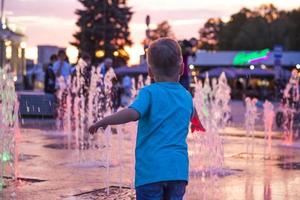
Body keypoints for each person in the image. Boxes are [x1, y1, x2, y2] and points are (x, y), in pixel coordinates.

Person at [89, 38, 205, 200]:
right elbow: (193, 113)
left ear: (150, 72)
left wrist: (106, 120)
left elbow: (132, 113)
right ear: (182, 68)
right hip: (178, 172)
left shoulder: (149, 93)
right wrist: (197, 124)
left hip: (151, 172)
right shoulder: (186, 95)